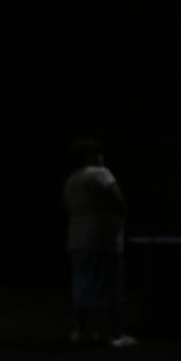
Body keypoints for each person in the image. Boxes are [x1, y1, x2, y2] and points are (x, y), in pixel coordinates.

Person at [64, 139, 136, 347]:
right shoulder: (101, 174)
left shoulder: (71, 179)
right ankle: (116, 334)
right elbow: (118, 200)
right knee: (111, 286)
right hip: (103, 239)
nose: (102, 158)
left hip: (77, 239)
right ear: (90, 156)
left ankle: (81, 331)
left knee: (82, 285)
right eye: (98, 154)